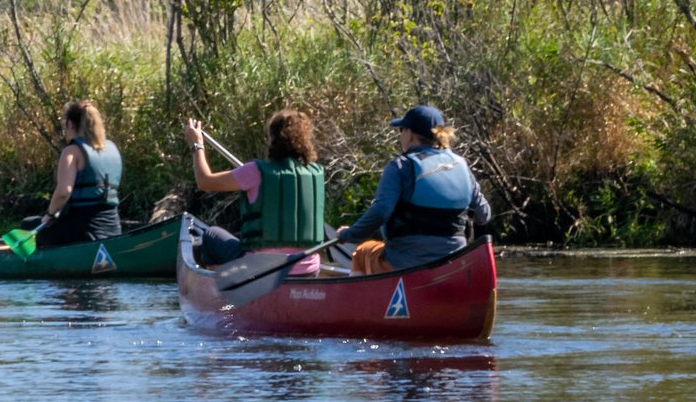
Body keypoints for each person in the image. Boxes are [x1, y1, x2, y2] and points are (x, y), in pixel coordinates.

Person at [336, 104, 493, 275]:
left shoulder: (400, 166)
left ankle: (364, 299)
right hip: (454, 264)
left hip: (406, 264)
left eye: (402, 130)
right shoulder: (462, 166)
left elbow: (381, 212)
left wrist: (350, 234)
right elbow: (484, 215)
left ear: (410, 134)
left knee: (363, 251)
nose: (401, 135)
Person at [184, 111, 326, 267]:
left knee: (211, 235)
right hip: (308, 268)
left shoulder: (255, 171)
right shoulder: (316, 173)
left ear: (272, 139)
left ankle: (217, 283)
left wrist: (196, 145)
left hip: (260, 270)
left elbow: (204, 181)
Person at [35, 100, 123, 247]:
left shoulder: (72, 152)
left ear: (70, 124)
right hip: (113, 228)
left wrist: (49, 215)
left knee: (28, 225)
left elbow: (64, 192)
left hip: (84, 231)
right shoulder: (112, 148)